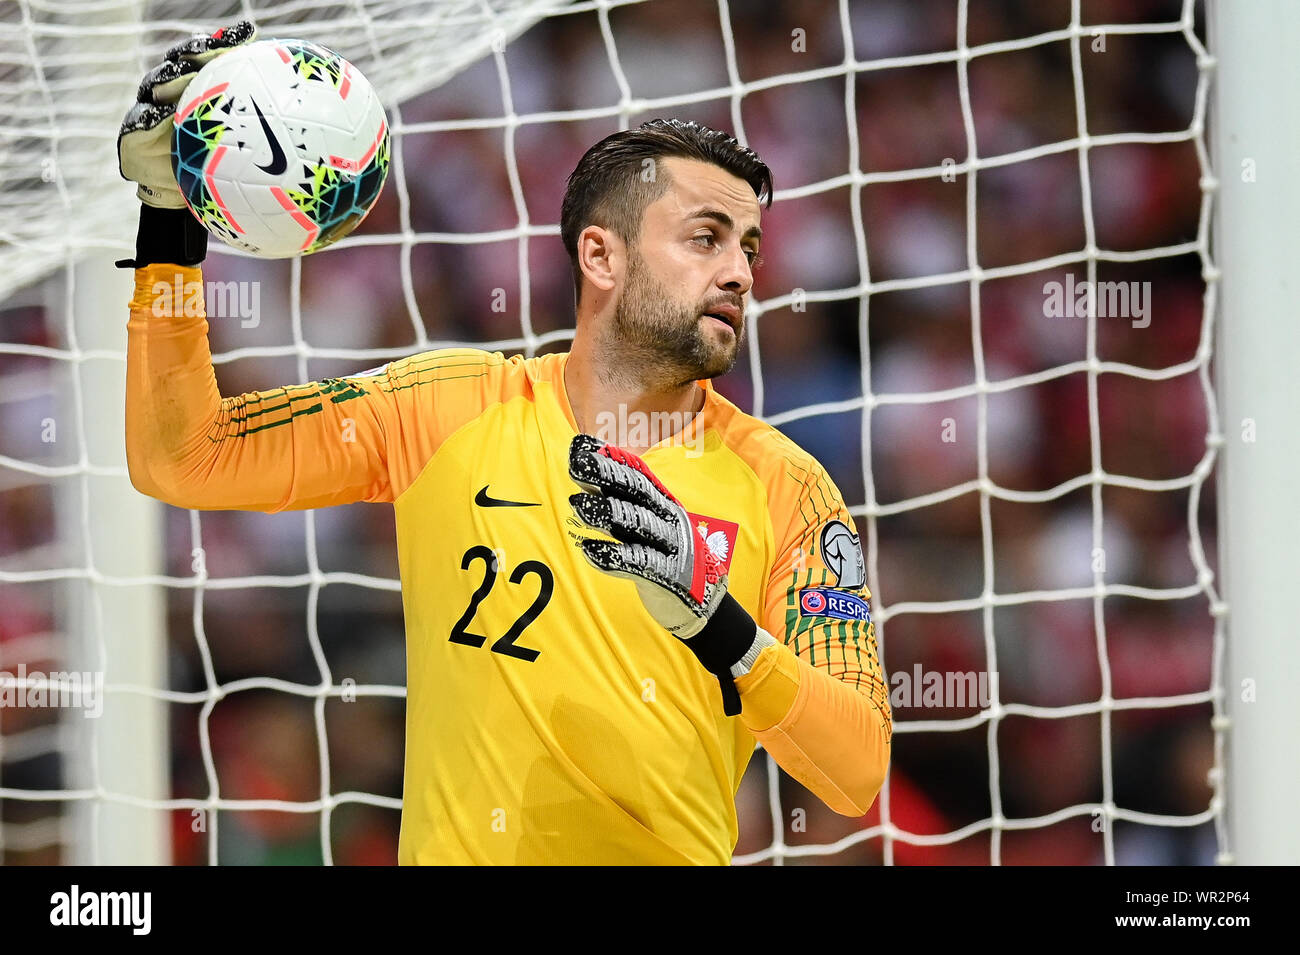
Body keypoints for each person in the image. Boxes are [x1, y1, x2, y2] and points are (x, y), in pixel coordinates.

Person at [118, 22, 891, 865]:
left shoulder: (787, 485)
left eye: (749, 248)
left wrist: (721, 628)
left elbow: (856, 770)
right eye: (705, 238)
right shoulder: (446, 407)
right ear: (601, 255)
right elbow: (186, 455)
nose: (740, 272)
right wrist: (168, 228)